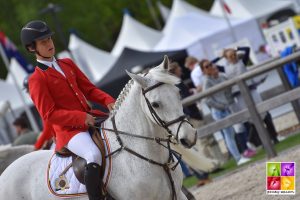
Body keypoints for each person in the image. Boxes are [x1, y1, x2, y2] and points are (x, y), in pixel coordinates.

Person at [21, 20, 115, 200]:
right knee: (93, 154)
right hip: (69, 132)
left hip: (92, 117)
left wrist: (108, 100)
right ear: (32, 48)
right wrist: (80, 117)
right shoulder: (37, 79)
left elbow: (89, 89)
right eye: (43, 42)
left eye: (49, 39)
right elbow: (49, 114)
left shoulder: (67, 63)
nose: (49, 44)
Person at [221, 46, 280, 145]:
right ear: (226, 58)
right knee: (251, 119)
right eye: (230, 56)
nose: (233, 57)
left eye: (234, 54)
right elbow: (212, 63)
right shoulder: (224, 69)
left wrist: (236, 48)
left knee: (264, 113)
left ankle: (274, 137)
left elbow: (247, 49)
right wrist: (222, 55)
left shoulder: (241, 62)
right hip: (239, 95)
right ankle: (260, 141)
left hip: (251, 90)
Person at [200, 59, 250, 166]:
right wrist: (221, 106)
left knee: (233, 133)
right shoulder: (206, 81)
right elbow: (206, 99)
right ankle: (238, 158)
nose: (210, 67)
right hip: (218, 111)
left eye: (210, 64)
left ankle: (240, 155)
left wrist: (228, 103)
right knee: (229, 135)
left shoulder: (220, 76)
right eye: (206, 66)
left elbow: (229, 87)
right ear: (203, 70)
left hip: (226, 108)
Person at [23, 75, 55, 150]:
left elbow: (48, 128)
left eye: (28, 90)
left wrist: (36, 147)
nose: (28, 93)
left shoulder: (43, 101)